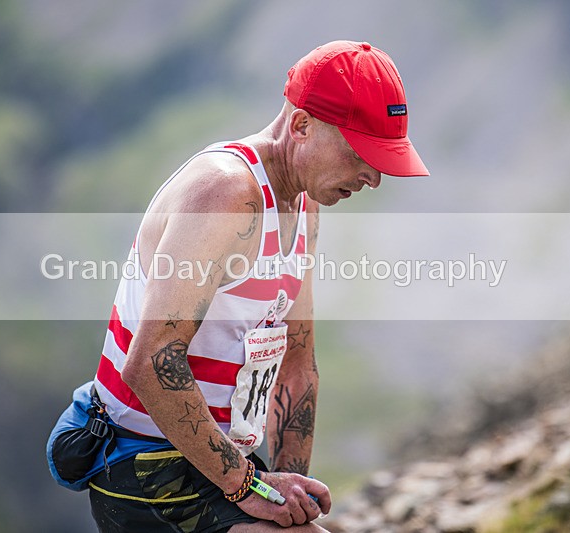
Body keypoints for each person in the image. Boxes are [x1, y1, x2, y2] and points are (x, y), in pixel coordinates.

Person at [78, 40, 428, 532]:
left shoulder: (302, 208)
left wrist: (288, 491)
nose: (372, 176)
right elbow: (154, 361)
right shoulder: (227, 193)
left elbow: (297, 362)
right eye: (360, 153)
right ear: (302, 124)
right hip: (144, 465)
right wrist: (249, 487)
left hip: (213, 466)